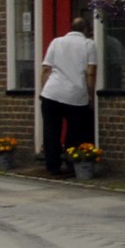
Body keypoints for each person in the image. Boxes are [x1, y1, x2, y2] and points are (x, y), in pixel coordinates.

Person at [38, 16, 98, 176]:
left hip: (51, 93)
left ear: (71, 28)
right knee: (74, 131)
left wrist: (42, 91)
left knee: (51, 131)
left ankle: (53, 166)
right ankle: (71, 164)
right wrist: (91, 95)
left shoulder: (56, 42)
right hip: (75, 95)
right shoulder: (89, 44)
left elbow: (46, 69)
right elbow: (90, 73)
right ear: (86, 30)